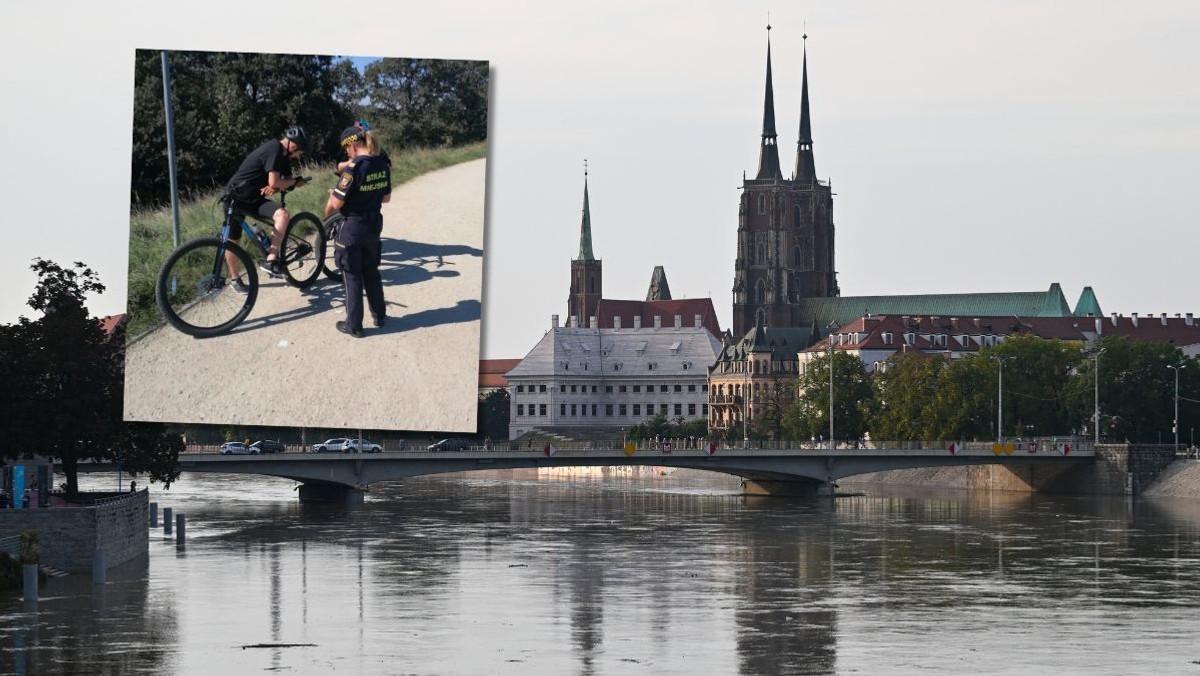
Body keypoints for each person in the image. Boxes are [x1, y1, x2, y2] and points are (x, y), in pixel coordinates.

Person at [325, 125, 392, 337]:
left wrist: (332, 193)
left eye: (347, 149)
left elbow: (335, 204)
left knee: (352, 275)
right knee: (371, 271)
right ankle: (380, 315)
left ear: (352, 145)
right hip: (373, 225)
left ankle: (354, 325)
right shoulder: (382, 164)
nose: (347, 153)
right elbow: (386, 198)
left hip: (352, 227)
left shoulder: (353, 169)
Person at [224, 125, 310, 289]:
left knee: (282, 215)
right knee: (232, 241)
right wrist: (286, 183)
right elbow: (276, 181)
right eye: (301, 152)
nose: (299, 156)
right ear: (294, 145)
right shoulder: (274, 149)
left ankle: (271, 259)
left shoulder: (284, 157)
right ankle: (235, 280)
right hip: (235, 198)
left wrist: (285, 184)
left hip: (254, 199)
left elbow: (282, 183)